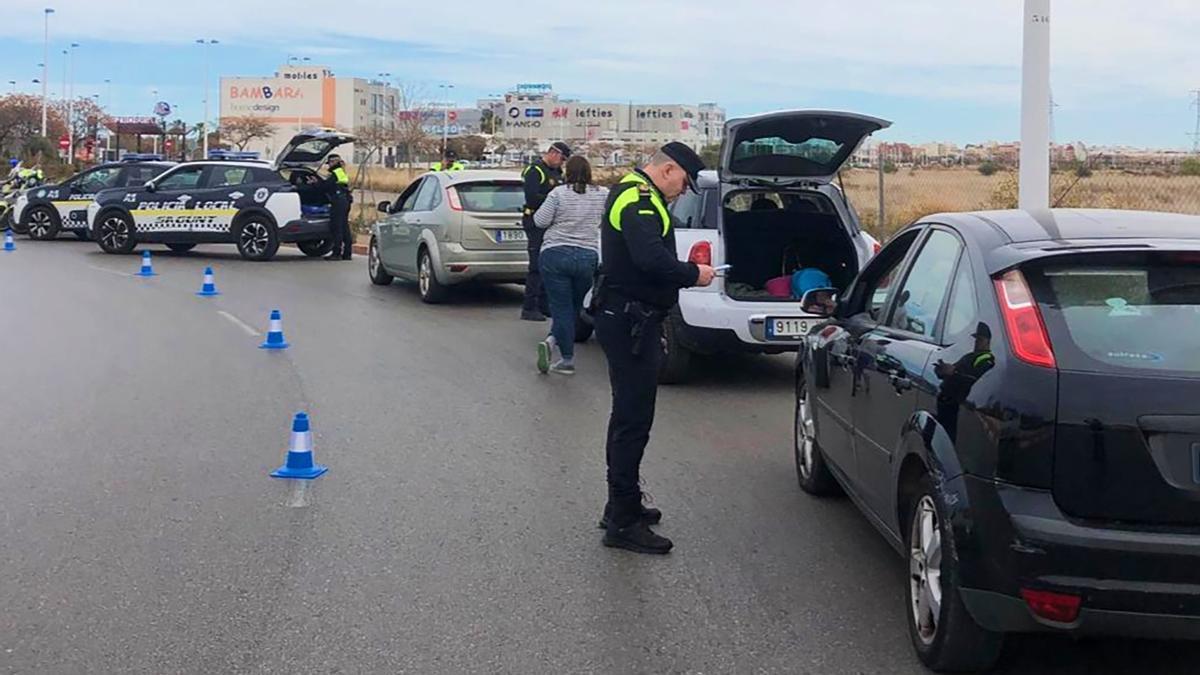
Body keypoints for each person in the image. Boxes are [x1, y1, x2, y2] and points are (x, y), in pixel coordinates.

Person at [594, 142, 715, 555]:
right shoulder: (639, 199)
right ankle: (623, 522)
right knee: (632, 419)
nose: (683, 190)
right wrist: (692, 274)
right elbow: (649, 260)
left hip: (629, 317)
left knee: (629, 416)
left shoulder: (634, 192)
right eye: (683, 181)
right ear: (667, 170)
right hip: (628, 320)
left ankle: (620, 506)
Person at [532, 155, 608, 375]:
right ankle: (552, 340)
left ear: (567, 172)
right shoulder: (601, 194)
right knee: (574, 308)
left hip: (555, 254)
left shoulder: (557, 194)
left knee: (561, 308)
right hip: (586, 256)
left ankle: (566, 359)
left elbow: (540, 221)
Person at [519, 141, 570, 321]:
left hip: (551, 222)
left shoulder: (557, 172)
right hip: (534, 221)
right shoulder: (535, 170)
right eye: (561, 159)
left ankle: (543, 304)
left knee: (548, 264)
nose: (561, 163)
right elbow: (532, 198)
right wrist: (554, 201)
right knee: (536, 265)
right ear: (553, 153)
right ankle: (529, 307)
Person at [322, 153, 353, 261]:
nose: (328, 166)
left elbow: (325, 186)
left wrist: (315, 183)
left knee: (337, 227)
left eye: (330, 163)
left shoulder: (336, 173)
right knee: (344, 227)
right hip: (345, 200)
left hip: (339, 202)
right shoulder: (341, 171)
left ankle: (336, 253)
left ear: (334, 162)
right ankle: (347, 253)